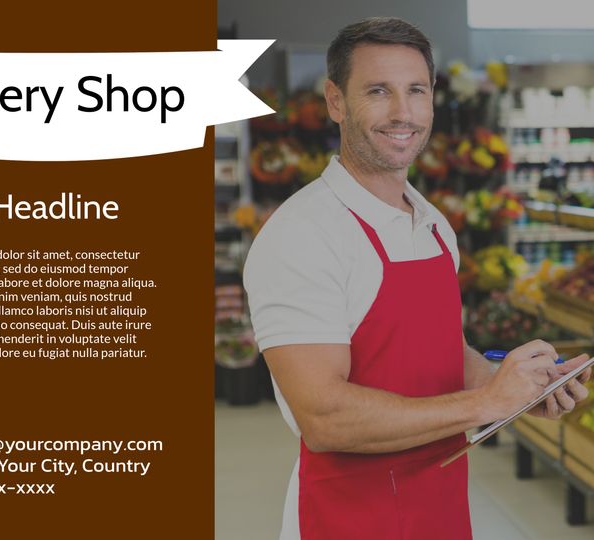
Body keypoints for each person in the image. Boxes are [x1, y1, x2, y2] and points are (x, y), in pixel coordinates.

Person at [243, 17, 591, 540]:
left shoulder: (431, 224)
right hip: (347, 518)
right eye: (378, 91)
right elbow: (324, 418)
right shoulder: (303, 234)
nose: (402, 113)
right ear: (336, 101)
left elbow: (444, 354)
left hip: (440, 506)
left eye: (416, 91)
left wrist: (515, 387)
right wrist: (485, 403)